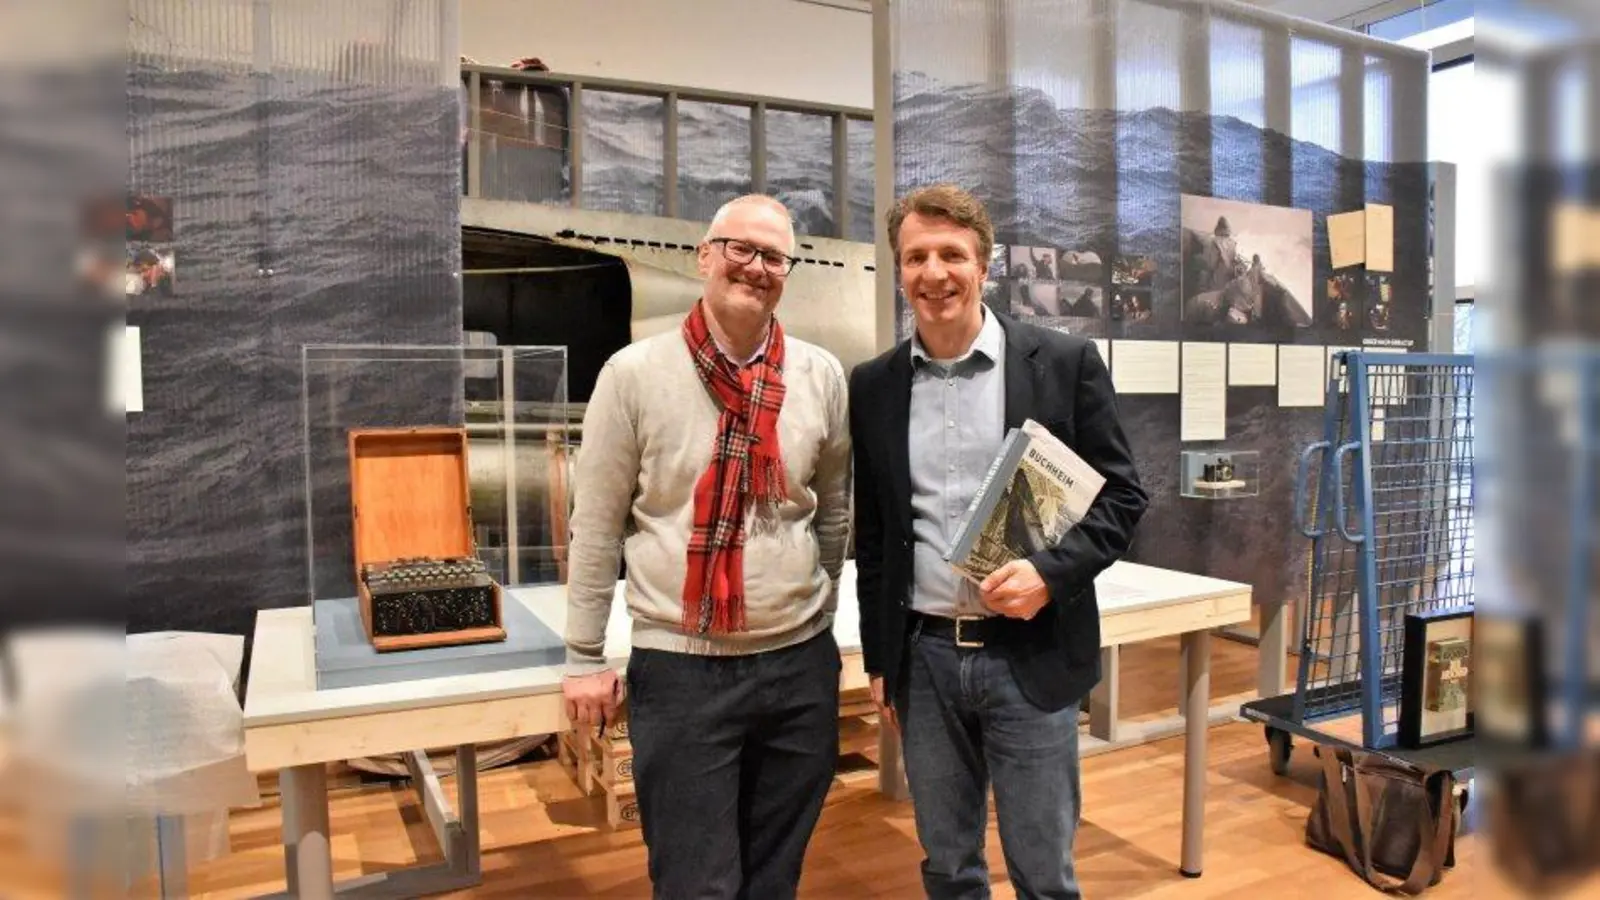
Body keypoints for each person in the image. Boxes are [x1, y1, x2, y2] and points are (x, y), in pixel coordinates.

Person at [849, 183, 1149, 899]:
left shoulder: (1064, 362)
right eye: (915, 256)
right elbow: (878, 533)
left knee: (1043, 873)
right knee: (948, 867)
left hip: (1032, 654)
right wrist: (880, 657)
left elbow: (1125, 495)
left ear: (985, 266)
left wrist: (1051, 573)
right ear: (899, 271)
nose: (934, 273)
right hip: (923, 660)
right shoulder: (874, 385)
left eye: (952, 254)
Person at [561, 193, 852, 899]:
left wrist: (816, 613)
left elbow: (834, 515)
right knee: (697, 883)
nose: (755, 267)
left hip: (798, 669)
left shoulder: (821, 377)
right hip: (683, 671)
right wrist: (582, 657)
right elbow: (596, 526)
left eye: (773, 256)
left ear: (788, 270)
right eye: (740, 249)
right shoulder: (632, 375)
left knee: (775, 876)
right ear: (705, 256)